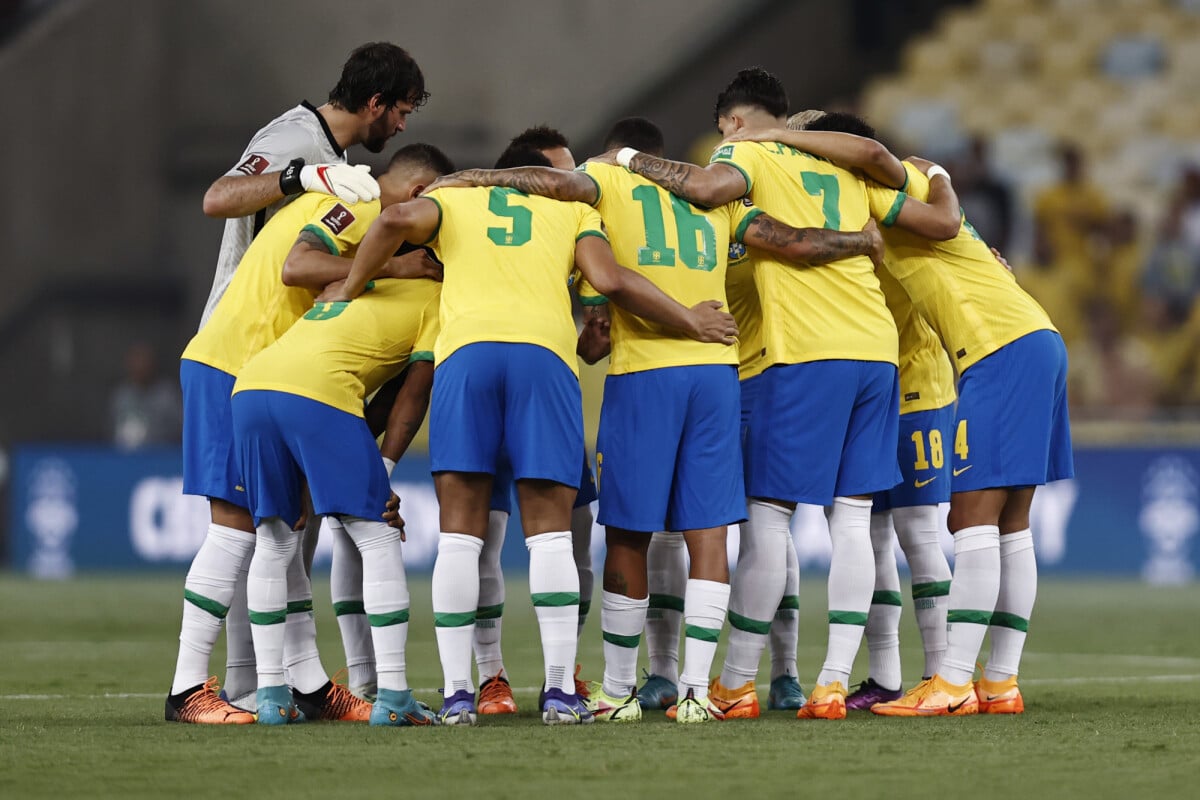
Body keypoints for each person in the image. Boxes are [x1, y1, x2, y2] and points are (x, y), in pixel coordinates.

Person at [425, 115, 886, 723]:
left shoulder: (604, 182)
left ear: (614, 152)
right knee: (710, 535)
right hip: (717, 375)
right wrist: (860, 242)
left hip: (645, 373)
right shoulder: (718, 196)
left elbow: (545, 188)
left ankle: (619, 690)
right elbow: (796, 241)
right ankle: (697, 691)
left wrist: (465, 178)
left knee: (628, 534)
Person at [327, 146, 739, 726]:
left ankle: (457, 695)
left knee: (460, 539)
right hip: (545, 360)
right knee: (548, 538)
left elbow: (393, 220)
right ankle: (558, 693)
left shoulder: (455, 197)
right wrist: (688, 318)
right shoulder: (571, 210)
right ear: (547, 178)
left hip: (467, 358)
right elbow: (607, 278)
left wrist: (352, 284)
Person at [607, 68, 961, 720]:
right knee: (852, 520)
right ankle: (831, 683)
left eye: (721, 133)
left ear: (734, 122)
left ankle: (737, 681)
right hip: (876, 356)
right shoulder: (851, 174)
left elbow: (713, 188)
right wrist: (939, 173)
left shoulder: (747, 154)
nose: (720, 145)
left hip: (804, 355)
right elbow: (939, 226)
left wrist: (626, 158)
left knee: (769, 517)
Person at [743, 117, 1073, 716]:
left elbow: (883, 162)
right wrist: (940, 175)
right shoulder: (918, 192)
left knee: (970, 522)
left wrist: (776, 138)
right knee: (1011, 525)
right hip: (1031, 338)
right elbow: (944, 216)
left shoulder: (888, 195)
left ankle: (951, 683)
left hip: (997, 352)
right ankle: (998, 683)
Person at [164, 146, 439, 724]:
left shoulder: (346, 219)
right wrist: (390, 267)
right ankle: (188, 690)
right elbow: (297, 267)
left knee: (281, 532)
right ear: (418, 196)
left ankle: (295, 687)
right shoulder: (364, 207)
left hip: (258, 373)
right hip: (237, 361)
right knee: (246, 532)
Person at [471, 126, 599, 717]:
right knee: (485, 543)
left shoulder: (568, 222)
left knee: (573, 549)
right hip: (523, 388)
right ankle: (493, 676)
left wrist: (591, 336)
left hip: (538, 387)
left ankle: (559, 670)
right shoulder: (505, 218)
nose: (569, 184)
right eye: (557, 174)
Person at [111, 343, 181, 450]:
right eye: (136, 360)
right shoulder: (122, 395)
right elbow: (110, 429)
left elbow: (180, 429)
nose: (140, 365)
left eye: (143, 360)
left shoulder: (166, 394)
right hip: (125, 458)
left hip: (161, 457)